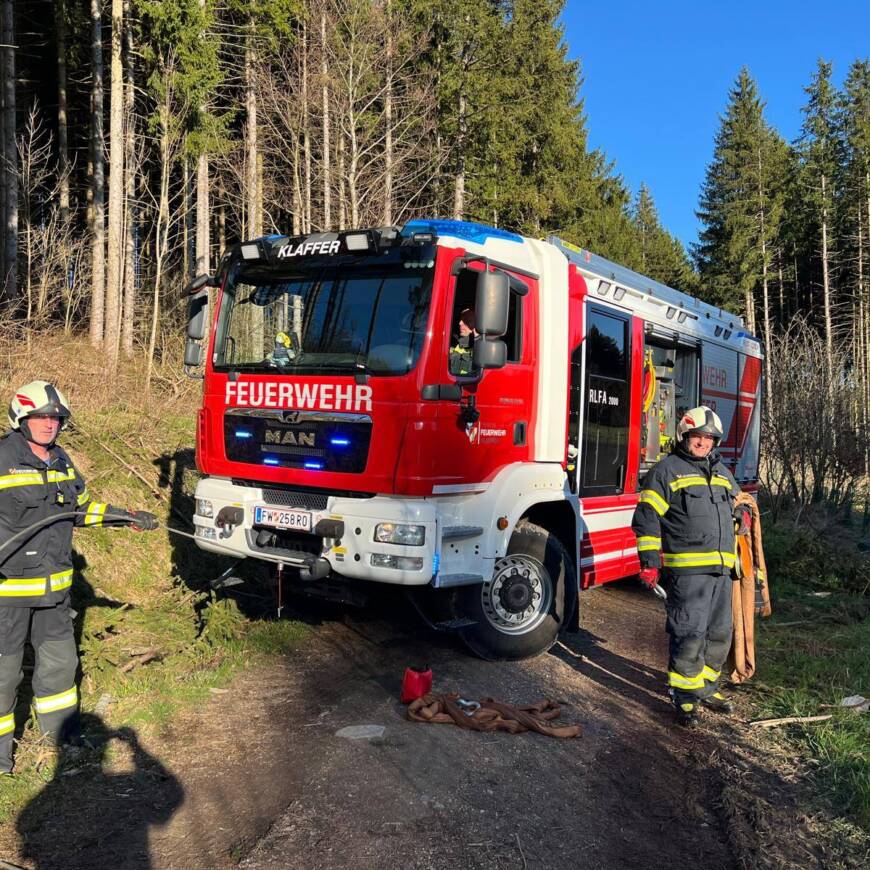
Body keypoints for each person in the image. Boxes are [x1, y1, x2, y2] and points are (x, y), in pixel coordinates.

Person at [0, 380, 158, 773]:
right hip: (9, 595)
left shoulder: (62, 460)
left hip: (56, 594)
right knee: (3, 675)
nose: (49, 424)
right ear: (21, 418)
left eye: (55, 418)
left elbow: (80, 509)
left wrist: (126, 517)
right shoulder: (2, 458)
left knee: (59, 666)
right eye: (40, 417)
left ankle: (62, 735)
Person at [631, 405, 743, 727]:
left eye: (709, 438)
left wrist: (743, 515)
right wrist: (650, 562)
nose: (703, 443)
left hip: (723, 571)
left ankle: (707, 687)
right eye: (698, 436)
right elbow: (646, 518)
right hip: (688, 573)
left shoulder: (722, 472)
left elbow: (739, 505)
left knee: (720, 633)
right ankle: (684, 696)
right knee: (689, 633)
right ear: (684, 435)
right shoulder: (667, 471)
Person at [449, 308, 477, 376]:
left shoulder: (483, 346)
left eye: (465, 319)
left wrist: (477, 335)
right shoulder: (451, 341)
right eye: (461, 319)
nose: (460, 323)